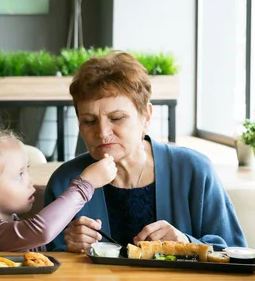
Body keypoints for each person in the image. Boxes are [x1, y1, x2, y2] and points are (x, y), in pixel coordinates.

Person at [45, 51, 247, 252]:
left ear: (146, 117)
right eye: (89, 121)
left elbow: (236, 254)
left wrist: (186, 243)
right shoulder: (66, 182)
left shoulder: (194, 171)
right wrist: (67, 248)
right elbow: (46, 265)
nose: (103, 133)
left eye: (117, 118)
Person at [0, 128, 117, 251]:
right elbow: (40, 230)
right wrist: (86, 184)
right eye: (20, 175)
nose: (30, 181)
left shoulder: (12, 221)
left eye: (27, 170)